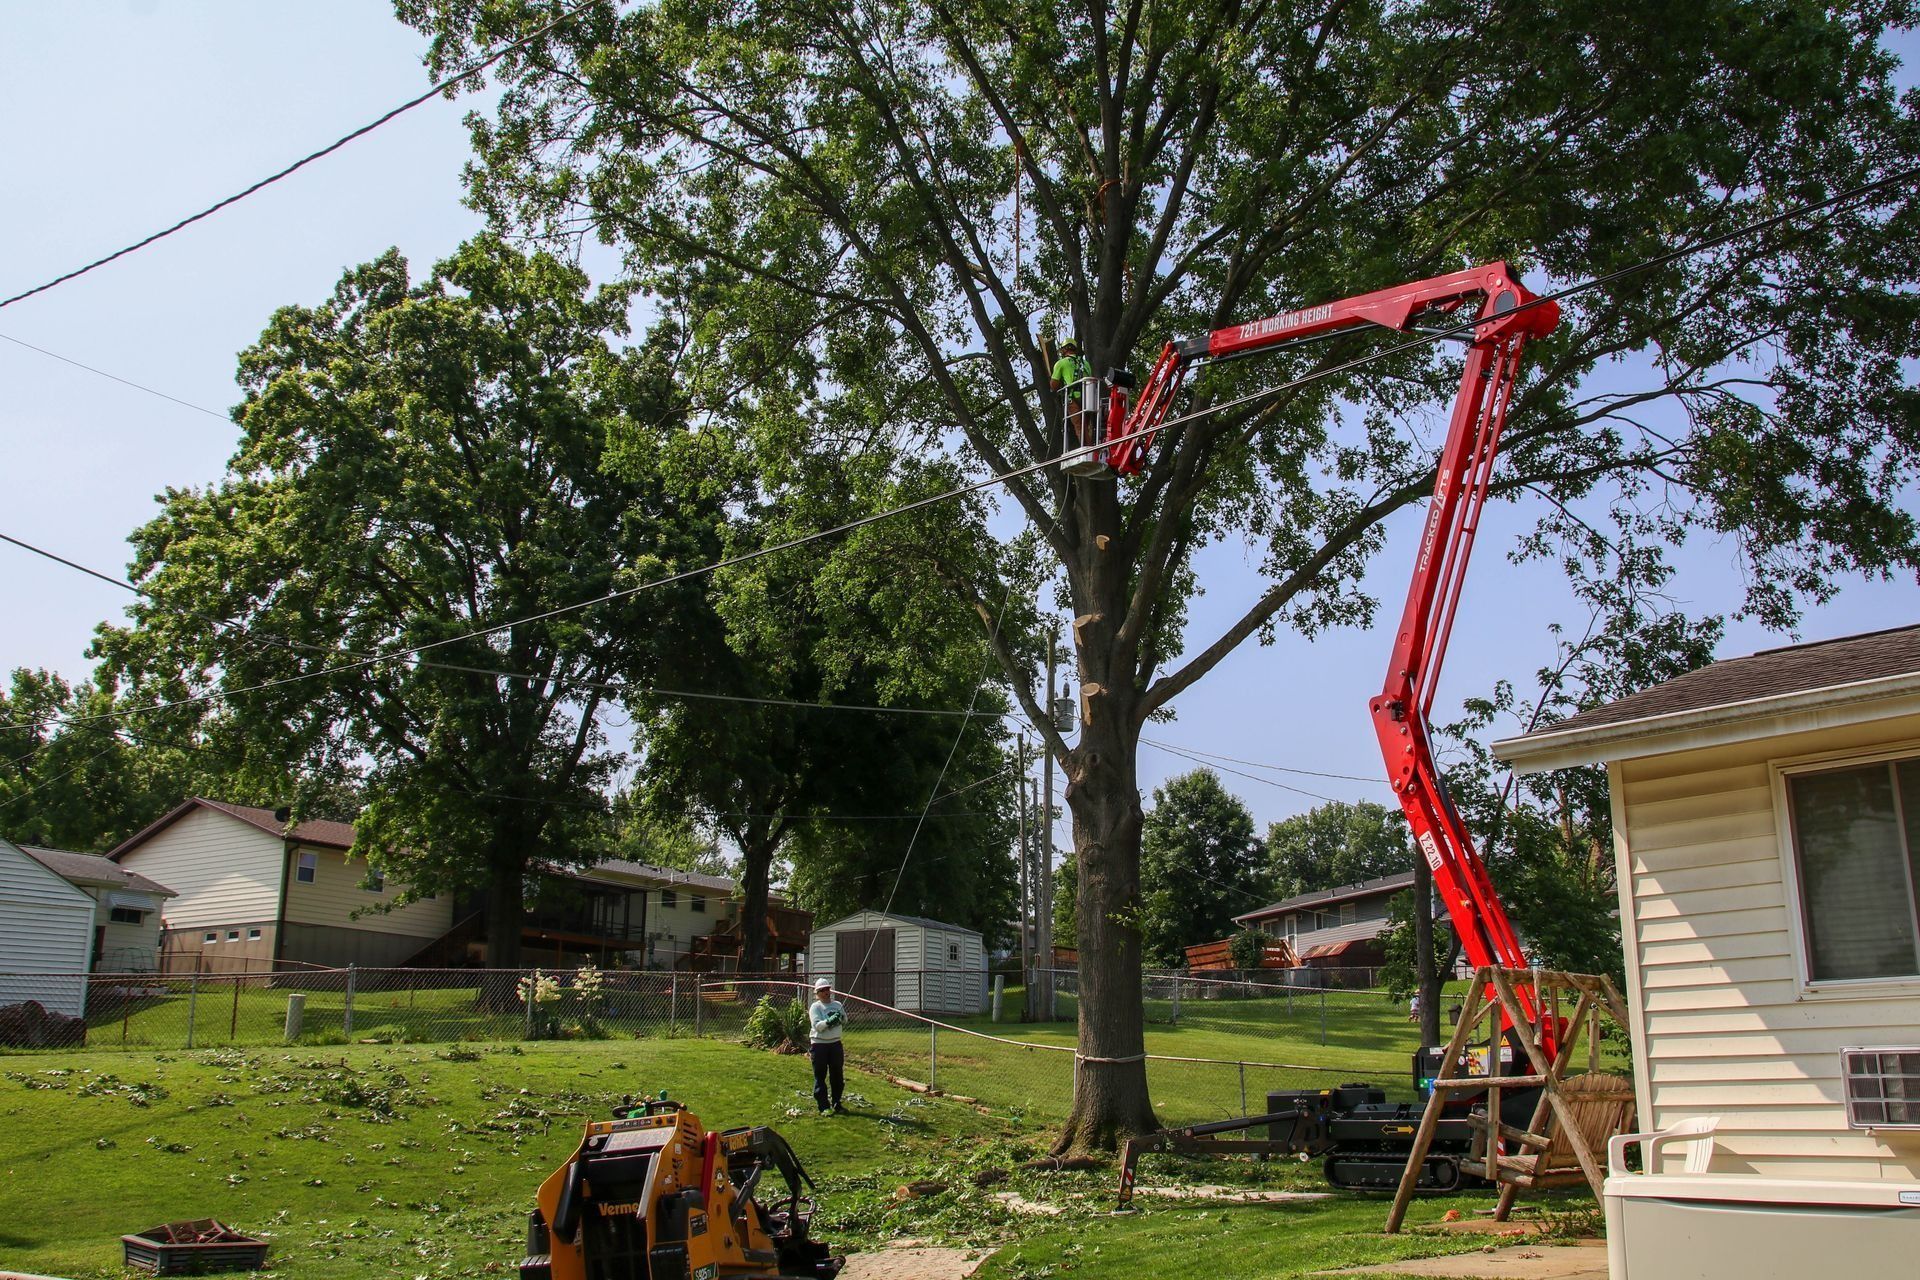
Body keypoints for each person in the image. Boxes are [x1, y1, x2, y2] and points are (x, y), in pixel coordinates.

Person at [808, 977, 846, 1114]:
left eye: (827, 989)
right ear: (817, 993)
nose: (825, 992)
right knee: (820, 1075)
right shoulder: (815, 1007)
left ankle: (837, 1103)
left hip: (835, 1044)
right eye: (822, 990)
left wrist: (840, 1017)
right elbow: (817, 1026)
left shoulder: (837, 1004)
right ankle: (823, 1106)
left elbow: (845, 1019)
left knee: (837, 1075)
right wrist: (829, 1021)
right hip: (819, 1046)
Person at [1049, 339, 1095, 451]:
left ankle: (1087, 450)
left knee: (1079, 426)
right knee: (1087, 426)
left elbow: (1053, 386)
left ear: (1064, 350)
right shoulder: (1085, 363)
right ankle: (1091, 447)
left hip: (1073, 398)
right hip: (1088, 398)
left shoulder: (1061, 363)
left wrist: (1051, 377)